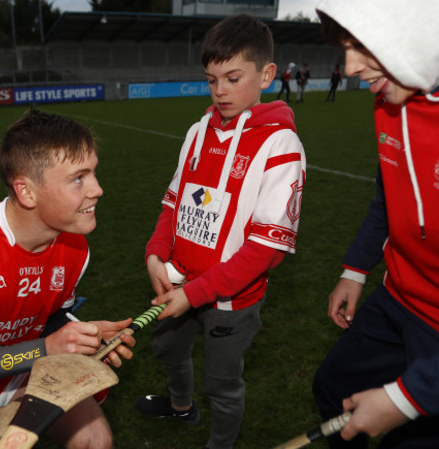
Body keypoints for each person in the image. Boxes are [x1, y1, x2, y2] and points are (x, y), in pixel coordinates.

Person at [311, 0, 439, 448]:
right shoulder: (395, 88)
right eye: (344, 47)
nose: (350, 67)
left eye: (361, 44)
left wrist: (407, 399)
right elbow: (391, 191)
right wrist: (355, 269)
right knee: (332, 391)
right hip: (399, 298)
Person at [0, 109, 137, 449]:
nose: (98, 189)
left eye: (93, 172)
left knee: (96, 440)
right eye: (78, 178)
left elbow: (51, 316)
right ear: (27, 192)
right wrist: (48, 347)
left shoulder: (75, 246)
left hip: (32, 371)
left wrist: (82, 335)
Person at [135, 13, 306, 449]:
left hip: (232, 298)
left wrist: (194, 294)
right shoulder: (197, 131)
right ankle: (180, 406)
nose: (220, 90)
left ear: (267, 74)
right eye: (212, 80)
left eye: (232, 77)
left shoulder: (280, 144)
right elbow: (173, 204)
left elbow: (267, 250)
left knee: (222, 384)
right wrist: (156, 255)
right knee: (167, 352)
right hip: (179, 282)